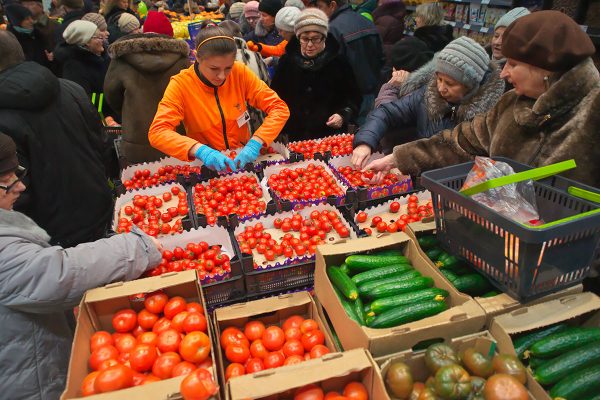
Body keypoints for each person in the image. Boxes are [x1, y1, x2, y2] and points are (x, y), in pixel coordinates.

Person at [0, 132, 162, 400]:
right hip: (27, 379)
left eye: (17, 174)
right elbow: (56, 275)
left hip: (32, 356)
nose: (21, 187)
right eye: (7, 182)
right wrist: (134, 248)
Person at [360, 11, 600, 189]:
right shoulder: (510, 104)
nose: (504, 73)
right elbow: (460, 141)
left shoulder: (592, 111)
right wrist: (398, 158)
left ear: (545, 68)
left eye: (513, 64)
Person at [0, 30, 113, 247]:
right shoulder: (71, 89)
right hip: (99, 208)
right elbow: (104, 146)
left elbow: (15, 191)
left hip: (52, 235)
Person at [148, 26, 289, 170]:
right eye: (214, 69)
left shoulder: (239, 73)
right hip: (206, 165)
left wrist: (257, 141)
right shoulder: (181, 84)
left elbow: (279, 108)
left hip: (240, 158)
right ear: (197, 57)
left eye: (228, 68)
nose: (222, 76)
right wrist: (199, 149)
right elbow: (158, 132)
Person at [352, 36, 505, 166]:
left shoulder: (488, 117)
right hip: (420, 179)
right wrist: (365, 142)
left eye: (450, 83)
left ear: (471, 85)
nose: (441, 88)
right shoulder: (426, 95)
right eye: (439, 79)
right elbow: (387, 112)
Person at [271, 8, 361, 141]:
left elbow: (353, 97)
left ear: (324, 37)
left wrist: (342, 115)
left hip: (330, 136)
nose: (309, 45)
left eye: (315, 39)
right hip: (296, 137)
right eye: (304, 39)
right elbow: (275, 97)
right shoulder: (287, 62)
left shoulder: (338, 62)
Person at [104, 31, 190, 163]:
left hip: (137, 137)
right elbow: (191, 93)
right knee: (183, 178)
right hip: (176, 134)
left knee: (142, 179)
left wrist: (129, 112)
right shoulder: (181, 59)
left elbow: (112, 96)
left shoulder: (121, 60)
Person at [315, 0, 385, 124]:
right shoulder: (368, 22)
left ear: (332, 5)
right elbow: (381, 58)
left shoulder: (332, 30)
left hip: (349, 101)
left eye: (320, 7)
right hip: (373, 94)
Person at [54, 20, 108, 95]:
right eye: (99, 37)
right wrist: (112, 98)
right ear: (86, 41)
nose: (103, 40)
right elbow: (85, 99)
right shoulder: (74, 68)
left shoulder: (102, 56)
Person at [488, 6, 529, 92]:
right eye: (496, 36)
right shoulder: (479, 61)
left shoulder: (517, 79)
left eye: (505, 38)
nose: (497, 42)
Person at [4, 4, 53, 69]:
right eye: (27, 19)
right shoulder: (11, 40)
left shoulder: (37, 33)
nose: (32, 21)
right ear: (17, 22)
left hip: (45, 72)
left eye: (31, 17)